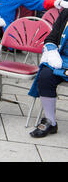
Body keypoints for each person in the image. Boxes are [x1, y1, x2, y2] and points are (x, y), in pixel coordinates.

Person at [28, 8, 68, 138]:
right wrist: (51, 51)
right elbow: (52, 38)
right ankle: (50, 121)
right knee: (45, 75)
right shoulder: (66, 12)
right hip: (63, 59)